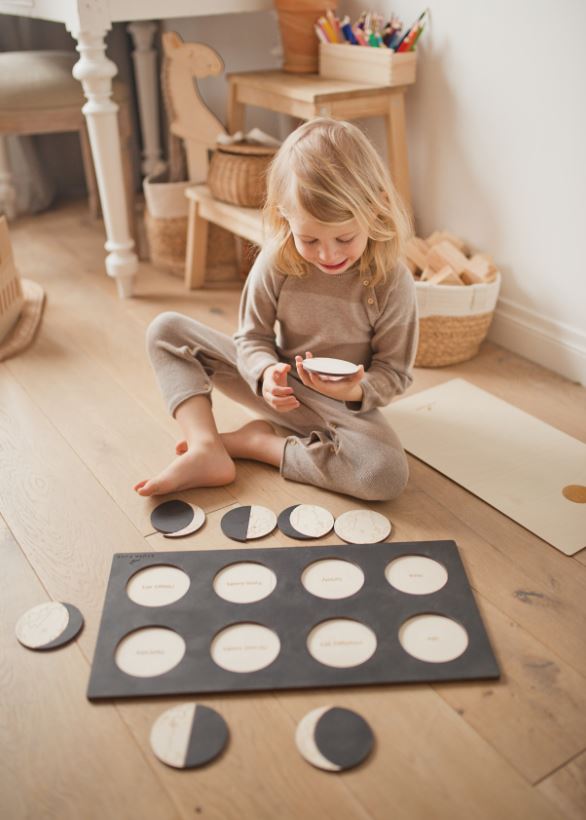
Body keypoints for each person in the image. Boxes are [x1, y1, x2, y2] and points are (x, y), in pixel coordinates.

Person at [134, 118, 418, 501]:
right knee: (165, 330)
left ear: (376, 207)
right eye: (310, 239)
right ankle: (206, 447)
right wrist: (266, 372)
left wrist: (355, 390)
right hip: (275, 387)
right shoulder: (277, 262)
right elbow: (252, 337)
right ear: (284, 216)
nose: (328, 254)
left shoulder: (390, 280)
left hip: (339, 406)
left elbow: (395, 371)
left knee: (383, 474)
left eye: (344, 238)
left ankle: (258, 445)